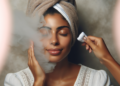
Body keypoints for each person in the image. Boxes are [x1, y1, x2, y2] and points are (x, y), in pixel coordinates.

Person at [4, 0, 111, 86]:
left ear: (72, 35)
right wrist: (39, 82)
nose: (54, 41)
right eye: (44, 33)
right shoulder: (16, 82)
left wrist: (106, 58)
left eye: (63, 33)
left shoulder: (97, 80)